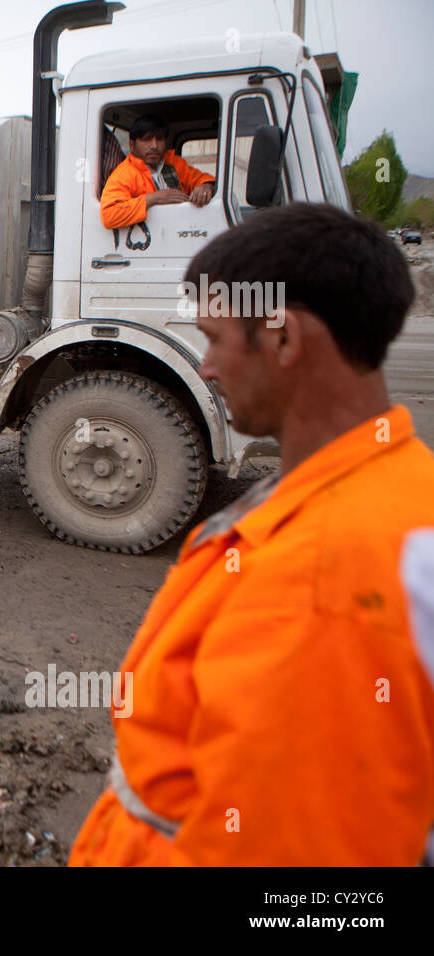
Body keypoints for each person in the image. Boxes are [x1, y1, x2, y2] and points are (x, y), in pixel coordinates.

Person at [69, 203, 434, 866]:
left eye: (213, 338)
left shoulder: (319, 584)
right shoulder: (399, 483)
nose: (206, 366)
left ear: (284, 338)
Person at [99, 114, 216, 230]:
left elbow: (201, 179)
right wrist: (153, 199)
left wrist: (206, 186)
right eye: (147, 139)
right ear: (132, 145)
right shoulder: (124, 174)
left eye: (159, 139)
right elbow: (109, 215)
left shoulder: (175, 163)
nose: (154, 146)